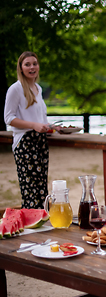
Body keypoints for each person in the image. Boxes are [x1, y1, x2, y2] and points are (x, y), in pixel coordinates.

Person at [4, 51, 59, 209]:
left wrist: (51, 126)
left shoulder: (38, 88)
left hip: (40, 141)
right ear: (21, 68)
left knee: (42, 188)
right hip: (25, 143)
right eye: (27, 64)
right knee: (30, 189)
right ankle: (30, 226)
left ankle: (40, 223)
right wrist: (33, 125)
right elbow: (8, 118)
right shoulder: (15, 89)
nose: (32, 67)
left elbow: (39, 118)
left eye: (34, 63)